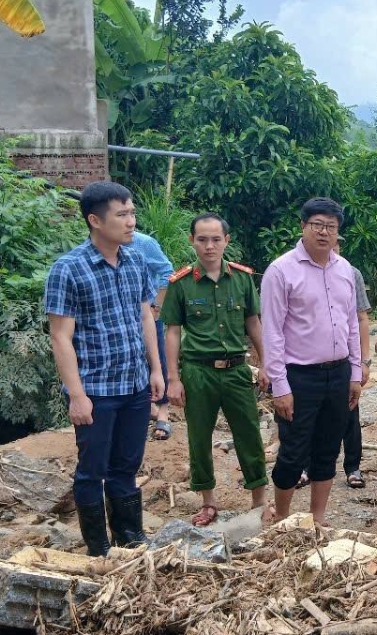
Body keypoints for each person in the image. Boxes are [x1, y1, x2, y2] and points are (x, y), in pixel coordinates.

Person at [45, 181, 164, 556]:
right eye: (122, 214)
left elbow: (145, 317)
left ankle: (130, 538)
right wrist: (76, 395)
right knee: (91, 471)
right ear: (95, 220)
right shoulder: (68, 269)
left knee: (126, 467)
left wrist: (156, 370)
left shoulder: (136, 261)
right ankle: (98, 549)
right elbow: (60, 337)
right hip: (96, 391)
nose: (131, 222)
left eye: (132, 213)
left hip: (134, 385)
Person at [162, 213, 270, 526]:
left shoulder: (242, 278)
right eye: (202, 239)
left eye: (215, 239)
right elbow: (172, 332)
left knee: (249, 433)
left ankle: (259, 500)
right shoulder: (181, 284)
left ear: (226, 241)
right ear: (192, 241)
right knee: (199, 437)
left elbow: (253, 323)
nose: (209, 246)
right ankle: (208, 502)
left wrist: (266, 364)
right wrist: (173, 378)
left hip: (236, 370)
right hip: (198, 372)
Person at [261, 197, 362, 526]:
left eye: (331, 226)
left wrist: (355, 373)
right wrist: (280, 386)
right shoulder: (281, 270)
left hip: (339, 372)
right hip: (299, 376)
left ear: (338, 231)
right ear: (303, 226)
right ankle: (283, 518)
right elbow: (272, 332)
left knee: (328, 448)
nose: (324, 232)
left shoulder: (345, 270)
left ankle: (318, 519)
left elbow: (351, 325)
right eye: (317, 225)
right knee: (293, 450)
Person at [334, 236, 372, 489]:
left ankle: (353, 467)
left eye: (336, 244)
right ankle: (306, 467)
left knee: (350, 412)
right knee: (310, 415)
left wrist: (364, 361)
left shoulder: (351, 273)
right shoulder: (297, 272)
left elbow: (361, 318)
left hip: (346, 357)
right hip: (311, 361)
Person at [130, 231, 175, 440]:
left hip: (148, 314)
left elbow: (167, 271)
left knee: (156, 358)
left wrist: (156, 304)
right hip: (123, 316)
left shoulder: (144, 243)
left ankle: (163, 410)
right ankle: (147, 406)